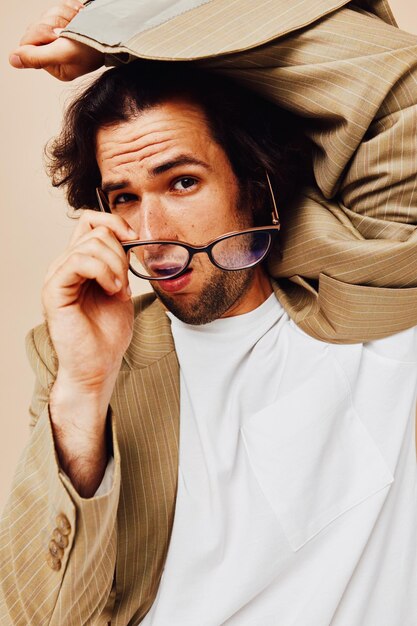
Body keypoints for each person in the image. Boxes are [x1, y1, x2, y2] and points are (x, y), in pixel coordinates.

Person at [1, 1, 417, 625]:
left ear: (252, 182)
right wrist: (85, 389)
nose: (153, 231)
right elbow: (43, 615)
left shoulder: (369, 284)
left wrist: (127, 33)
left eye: (182, 182)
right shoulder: (79, 360)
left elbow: (396, 84)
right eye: (125, 197)